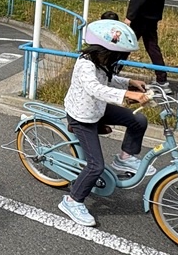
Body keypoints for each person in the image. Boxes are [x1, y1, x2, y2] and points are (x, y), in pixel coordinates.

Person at [58, 19, 149, 228]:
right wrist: (128, 94)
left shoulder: (101, 63)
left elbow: (108, 80)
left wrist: (130, 83)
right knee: (96, 165)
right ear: (105, 50)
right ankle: (72, 201)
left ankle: (124, 158)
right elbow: (96, 89)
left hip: (98, 109)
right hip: (82, 117)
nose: (119, 60)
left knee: (138, 120)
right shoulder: (85, 64)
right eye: (118, 56)